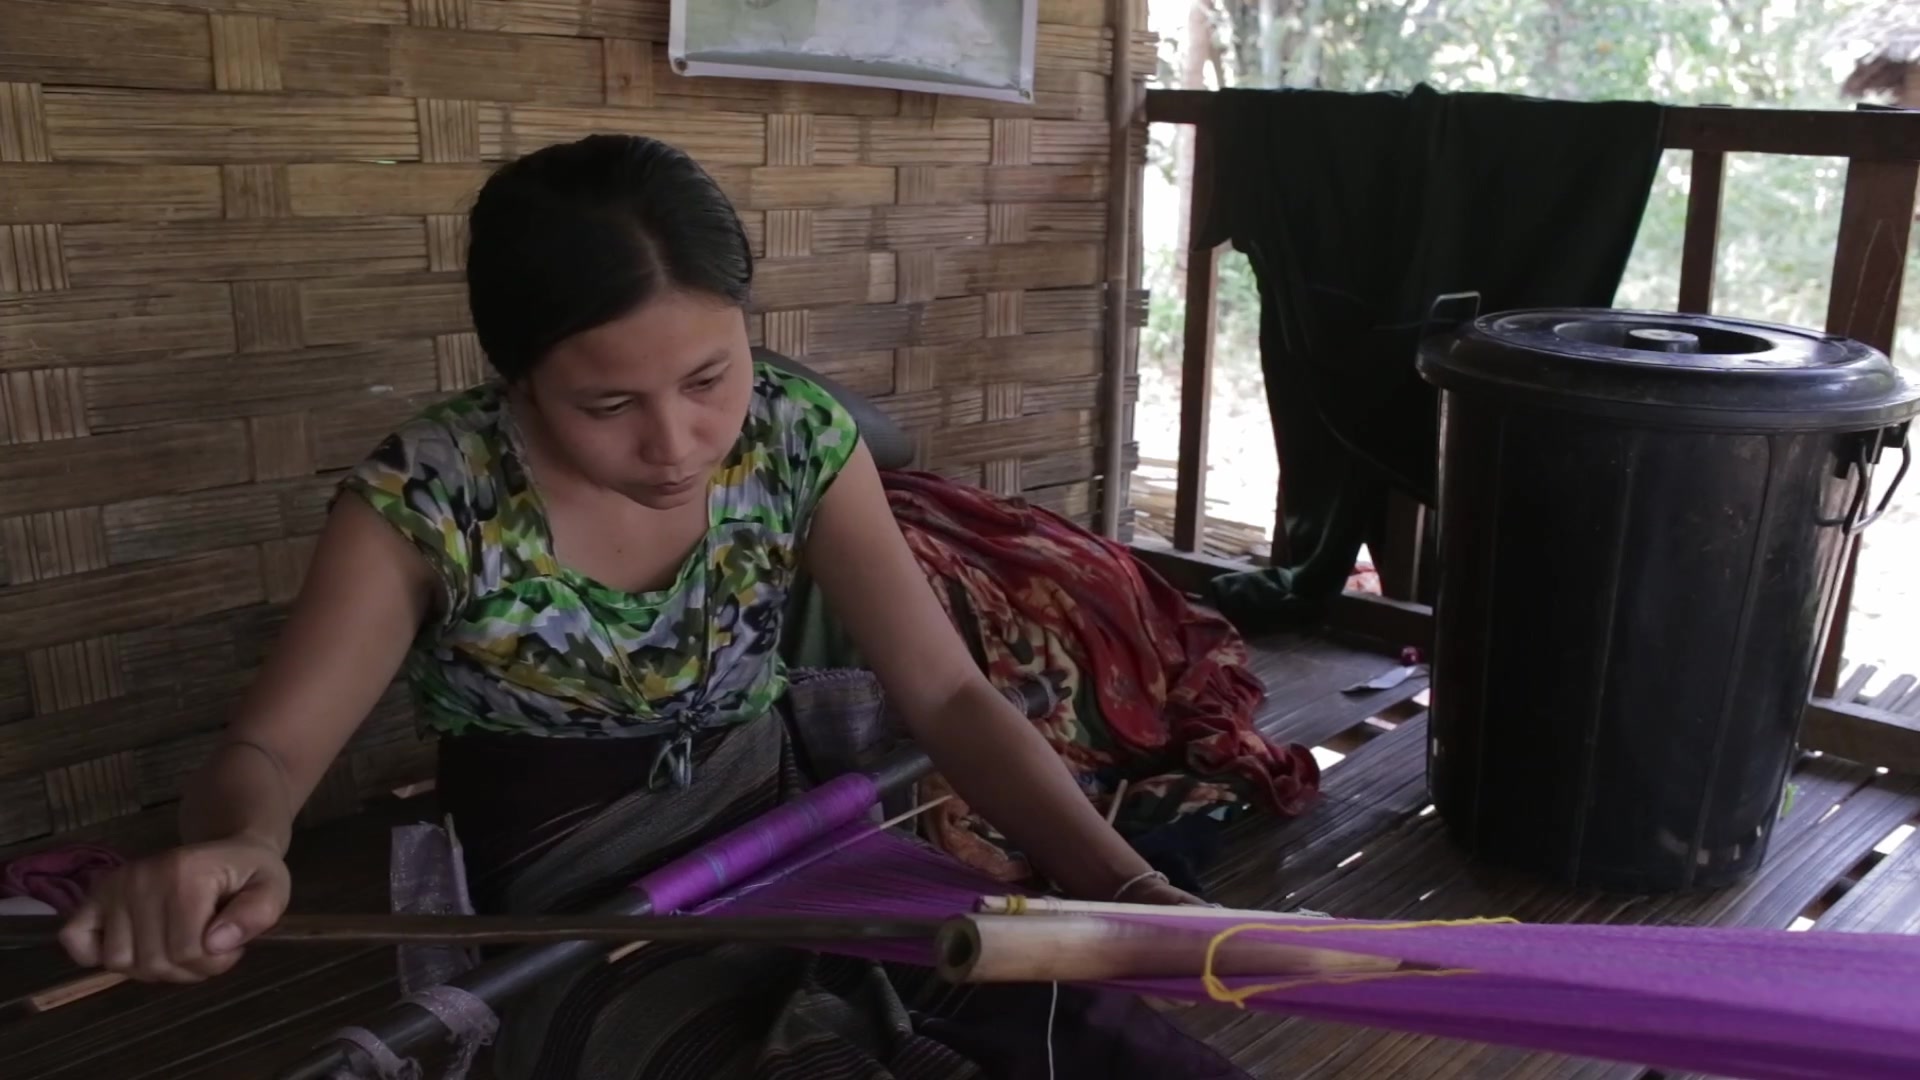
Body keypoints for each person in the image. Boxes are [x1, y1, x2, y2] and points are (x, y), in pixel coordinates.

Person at [54, 134, 1243, 1080]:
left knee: (1092, 1037)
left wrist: (1128, 887)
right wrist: (240, 841)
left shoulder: (791, 438)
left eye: (709, 377)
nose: (678, 444)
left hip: (786, 847)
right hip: (573, 908)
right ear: (515, 377)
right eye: (606, 402)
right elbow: (268, 747)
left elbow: (944, 692)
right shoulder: (433, 496)